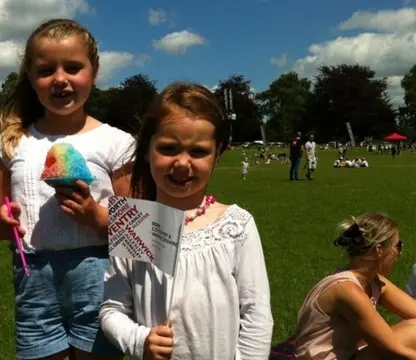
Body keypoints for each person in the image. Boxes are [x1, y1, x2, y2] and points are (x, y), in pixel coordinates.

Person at [0, 18, 135, 360]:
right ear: (31, 79)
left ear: (93, 73)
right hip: (33, 277)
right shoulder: (11, 143)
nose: (60, 79)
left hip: (100, 274)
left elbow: (138, 230)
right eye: (46, 70)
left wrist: (96, 216)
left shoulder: (115, 142)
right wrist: (0, 220)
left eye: (73, 67)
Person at [99, 83, 273, 360]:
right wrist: (140, 340)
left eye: (198, 151)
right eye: (168, 148)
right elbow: (112, 308)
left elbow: (257, 313)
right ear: (146, 150)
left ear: (217, 154)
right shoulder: (135, 223)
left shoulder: (236, 225)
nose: (182, 163)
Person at [294, 212, 416, 360]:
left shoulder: (373, 281)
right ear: (378, 251)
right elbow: (390, 350)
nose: (399, 253)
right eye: (398, 246)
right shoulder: (348, 290)